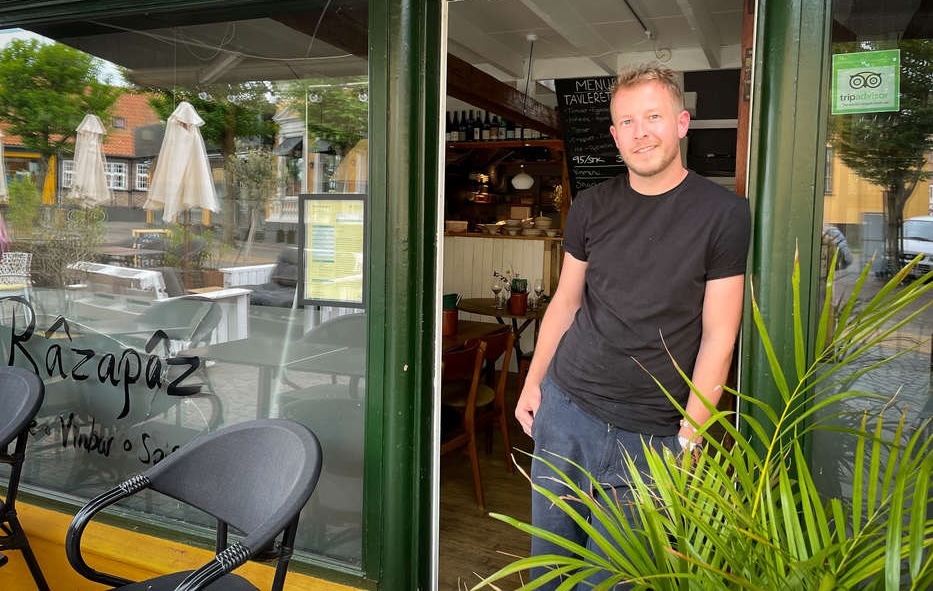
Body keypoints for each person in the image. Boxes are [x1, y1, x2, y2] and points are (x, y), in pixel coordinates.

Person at [514, 64, 751, 589]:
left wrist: (691, 434)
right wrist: (533, 382)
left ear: (681, 123)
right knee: (549, 569)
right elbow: (566, 301)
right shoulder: (591, 206)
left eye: (653, 117)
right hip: (567, 410)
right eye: (628, 122)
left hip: (653, 433)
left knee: (614, 580)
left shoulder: (724, 215)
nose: (641, 132)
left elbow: (720, 334)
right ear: (615, 135)